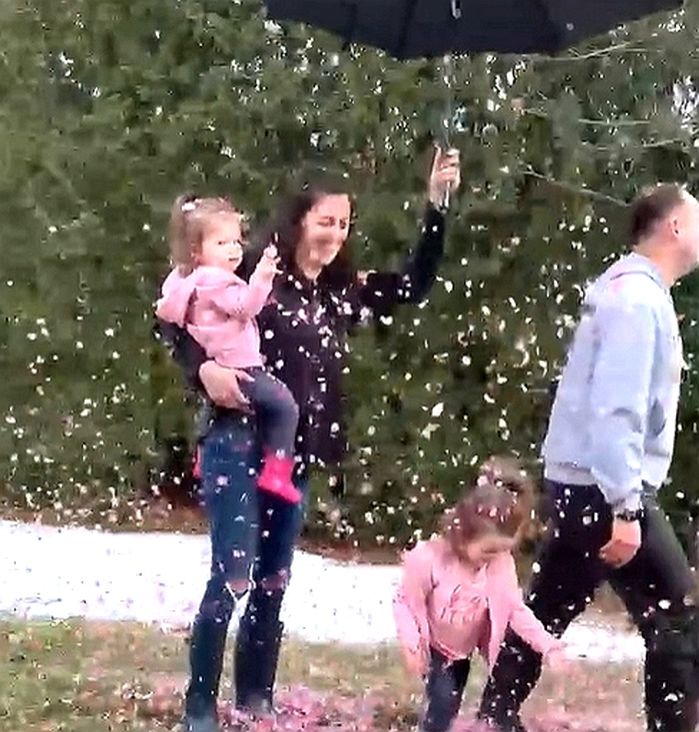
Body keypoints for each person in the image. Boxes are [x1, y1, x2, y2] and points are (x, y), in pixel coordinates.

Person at [157, 148, 461, 732]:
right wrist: (202, 370)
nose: (335, 234)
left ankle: (255, 699)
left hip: (294, 459)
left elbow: (414, 285)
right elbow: (173, 315)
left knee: (273, 581)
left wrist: (437, 205)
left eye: (344, 224)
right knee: (231, 575)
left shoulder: (341, 291)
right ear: (298, 221)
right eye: (325, 221)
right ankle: (200, 706)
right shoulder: (252, 273)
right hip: (234, 442)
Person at [478, 184, 699, 732]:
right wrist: (626, 508)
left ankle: (493, 717)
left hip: (582, 486)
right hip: (604, 492)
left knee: (548, 608)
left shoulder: (631, 292)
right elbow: (615, 409)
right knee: (677, 618)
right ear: (673, 227)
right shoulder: (637, 300)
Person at [394, 457, 564, 732]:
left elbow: (515, 610)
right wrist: (412, 645)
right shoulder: (431, 559)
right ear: (462, 535)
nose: (494, 558)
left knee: (450, 702)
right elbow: (405, 601)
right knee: (443, 702)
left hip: (463, 652)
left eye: (501, 551)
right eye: (488, 551)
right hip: (436, 647)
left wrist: (548, 645)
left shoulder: (499, 565)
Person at [156, 194, 301, 503]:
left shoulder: (185, 284)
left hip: (220, 361)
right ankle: (278, 470)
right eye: (222, 244)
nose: (234, 249)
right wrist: (261, 279)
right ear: (197, 252)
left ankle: (201, 459)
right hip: (240, 363)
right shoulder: (218, 281)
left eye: (236, 241)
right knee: (285, 406)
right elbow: (246, 307)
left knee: (216, 408)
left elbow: (170, 317)